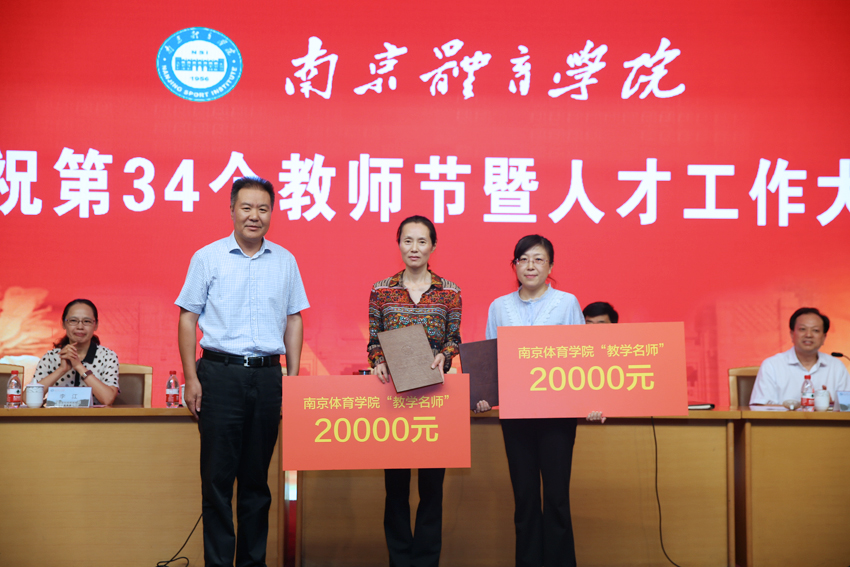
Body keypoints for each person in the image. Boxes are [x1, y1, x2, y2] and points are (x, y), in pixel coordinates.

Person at [176, 176, 309, 567]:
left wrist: (292, 378)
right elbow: (187, 318)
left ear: (271, 213)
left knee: (256, 482)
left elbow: (294, 319)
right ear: (232, 210)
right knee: (217, 482)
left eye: (263, 209)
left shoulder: (285, 261)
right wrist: (191, 378)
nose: (255, 216)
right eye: (247, 207)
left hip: (268, 377)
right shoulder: (207, 257)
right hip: (219, 375)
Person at [474, 235, 603, 567]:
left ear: (550, 266)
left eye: (538, 259)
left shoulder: (567, 303)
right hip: (516, 415)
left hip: (558, 415)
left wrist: (590, 401)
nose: (530, 266)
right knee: (525, 499)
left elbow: (581, 357)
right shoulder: (499, 306)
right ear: (515, 265)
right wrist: (484, 396)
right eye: (523, 259)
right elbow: (490, 358)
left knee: (557, 498)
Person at [367, 215, 462, 567]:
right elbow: (374, 340)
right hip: (395, 399)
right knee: (395, 490)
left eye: (422, 241)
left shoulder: (450, 291)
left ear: (433, 246)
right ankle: (399, 560)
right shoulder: (381, 290)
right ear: (399, 244)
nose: (414, 248)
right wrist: (377, 360)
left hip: (435, 398)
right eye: (408, 240)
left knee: (432, 490)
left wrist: (445, 355)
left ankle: (425, 561)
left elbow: (454, 338)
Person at [750, 307, 850, 405]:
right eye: (802, 329)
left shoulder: (836, 367)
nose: (808, 335)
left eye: (815, 330)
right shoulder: (772, 365)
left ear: (824, 337)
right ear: (792, 334)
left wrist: (831, 406)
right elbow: (760, 406)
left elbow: (847, 407)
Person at [33, 298, 119, 406]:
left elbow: (108, 399)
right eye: (73, 321)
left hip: (94, 417)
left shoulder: (108, 356)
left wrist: (79, 366)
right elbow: (28, 398)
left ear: (96, 325)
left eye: (86, 321)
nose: (80, 327)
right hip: (57, 416)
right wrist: (61, 370)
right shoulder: (51, 357)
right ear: (63, 324)